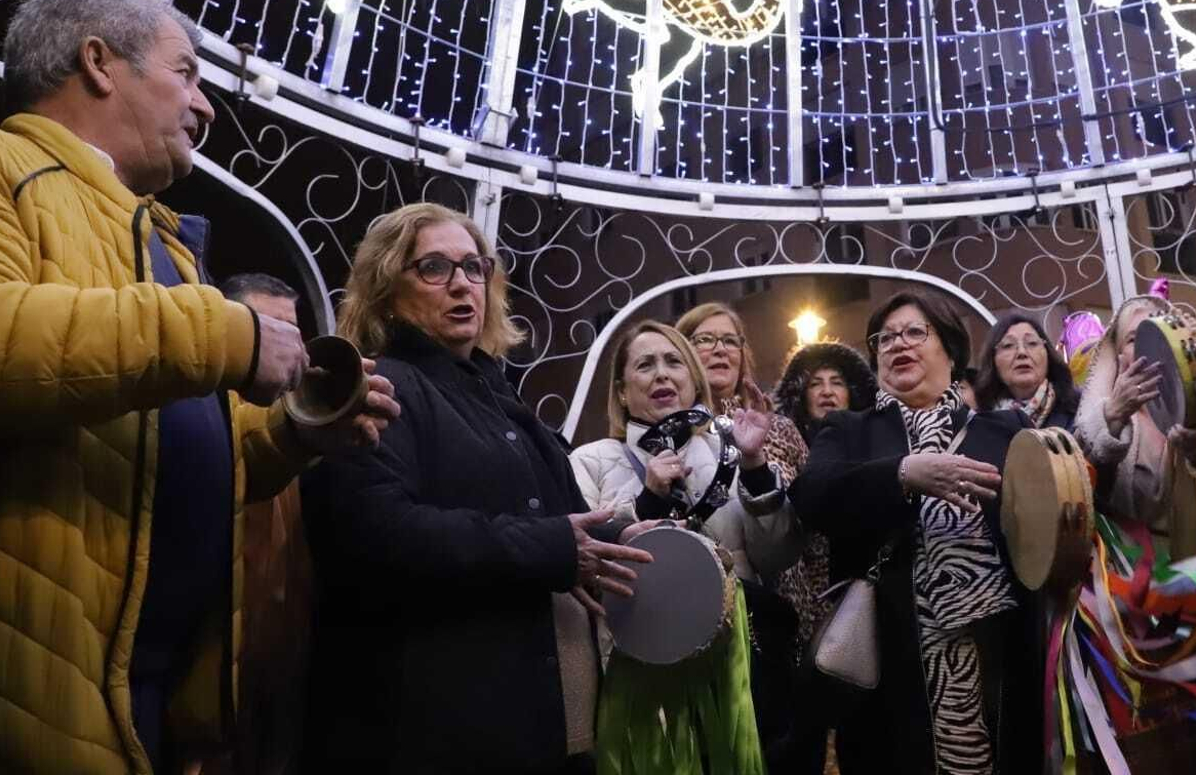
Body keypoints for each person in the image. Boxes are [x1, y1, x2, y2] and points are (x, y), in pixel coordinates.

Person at [0, 0, 395, 775]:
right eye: (186, 72)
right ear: (99, 61)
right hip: (20, 690)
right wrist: (222, 332)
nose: (206, 106)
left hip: (144, 700)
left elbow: (187, 462)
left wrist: (298, 430)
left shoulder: (165, 242)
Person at [297, 202, 653, 774]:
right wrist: (555, 551)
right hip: (431, 729)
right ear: (387, 288)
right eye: (434, 268)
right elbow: (376, 533)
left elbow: (564, 517)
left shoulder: (500, 398)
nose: (462, 283)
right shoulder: (380, 386)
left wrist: (626, 534)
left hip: (531, 725)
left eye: (474, 267)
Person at [791, 289, 1042, 774]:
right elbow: (811, 496)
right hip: (890, 666)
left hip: (998, 655)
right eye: (884, 338)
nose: (896, 344)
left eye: (913, 332)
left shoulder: (1006, 431)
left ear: (949, 348)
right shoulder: (851, 429)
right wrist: (903, 473)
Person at [571, 320, 798, 775]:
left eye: (674, 361)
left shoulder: (732, 450)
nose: (662, 375)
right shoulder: (591, 461)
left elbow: (777, 556)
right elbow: (583, 566)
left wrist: (754, 466)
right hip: (641, 676)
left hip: (736, 672)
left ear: (693, 379)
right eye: (645, 365)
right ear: (620, 390)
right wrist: (646, 500)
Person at [674, 303, 812, 771]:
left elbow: (811, 528)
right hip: (716, 616)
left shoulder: (780, 427)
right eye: (704, 340)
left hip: (790, 609)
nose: (718, 350)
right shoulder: (669, 432)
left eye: (729, 340)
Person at [201, 273, 315, 775]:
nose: (284, 348)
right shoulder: (203, 431)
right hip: (209, 690)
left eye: (293, 333)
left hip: (282, 681)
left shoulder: (305, 437)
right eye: (268, 330)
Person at [767, 340, 878, 774]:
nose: (828, 390)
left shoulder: (868, 442)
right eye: (816, 383)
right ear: (801, 393)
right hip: (795, 605)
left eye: (838, 382)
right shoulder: (781, 441)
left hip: (857, 596)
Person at [1073, 296, 1196, 523]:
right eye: (1133, 339)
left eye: (1155, 333)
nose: (1146, 345)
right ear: (1119, 356)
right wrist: (1112, 415)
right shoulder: (1106, 414)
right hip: (1129, 554)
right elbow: (1077, 481)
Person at [972, 311, 1079, 429]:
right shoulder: (979, 425)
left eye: (1032, 343)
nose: (1022, 353)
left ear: (1048, 353)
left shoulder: (1080, 410)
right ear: (993, 360)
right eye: (1008, 345)